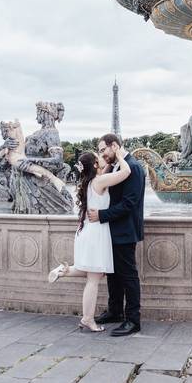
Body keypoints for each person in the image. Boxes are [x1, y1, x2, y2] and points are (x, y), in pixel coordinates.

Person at [47, 151, 130, 332]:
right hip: (96, 233)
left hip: (87, 232)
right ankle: (87, 319)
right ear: (94, 165)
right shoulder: (99, 181)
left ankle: (63, 271)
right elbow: (126, 172)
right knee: (93, 279)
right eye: (97, 156)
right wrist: (119, 154)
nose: (101, 158)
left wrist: (106, 162)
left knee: (95, 272)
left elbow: (105, 170)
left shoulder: (89, 182)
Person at [87, 133, 146, 337]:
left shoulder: (134, 167)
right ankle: (115, 311)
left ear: (114, 146)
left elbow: (129, 203)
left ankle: (133, 320)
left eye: (104, 149)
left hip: (125, 230)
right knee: (112, 274)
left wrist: (101, 215)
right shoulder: (117, 166)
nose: (102, 154)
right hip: (112, 229)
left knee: (128, 276)